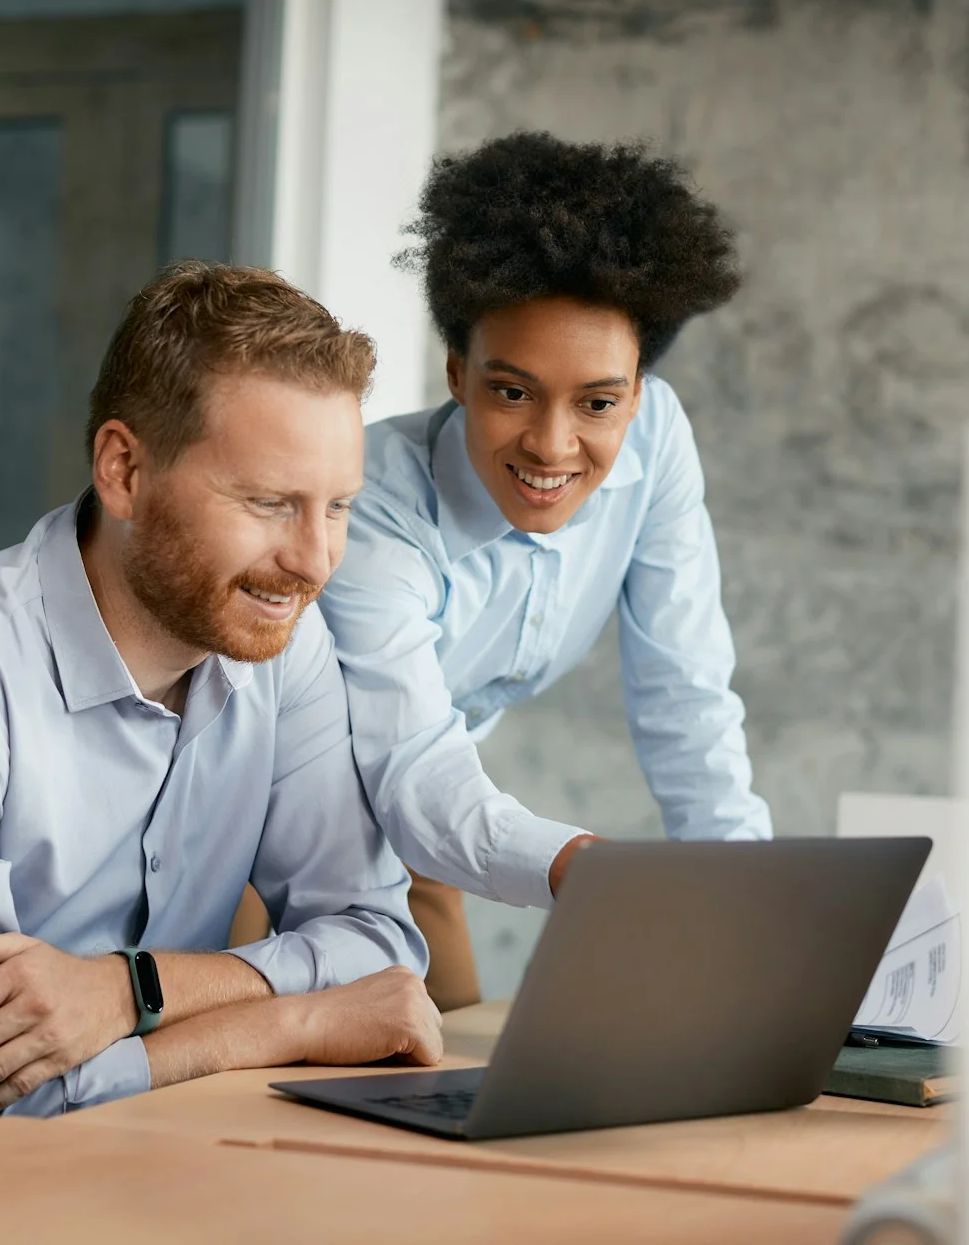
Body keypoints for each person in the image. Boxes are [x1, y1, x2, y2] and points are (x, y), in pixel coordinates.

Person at [0, 262, 439, 1154]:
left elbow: (379, 943)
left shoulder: (285, 641)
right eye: (269, 503)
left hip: (173, 1166)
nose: (314, 561)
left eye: (339, 508)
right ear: (124, 470)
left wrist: (129, 990)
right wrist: (288, 1023)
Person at [319, 132, 774, 1009]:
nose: (553, 445)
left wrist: (749, 898)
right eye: (512, 392)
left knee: (450, 1059)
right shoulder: (369, 503)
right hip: (273, 830)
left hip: (430, 824)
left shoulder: (655, 440)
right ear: (458, 373)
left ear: (637, 394)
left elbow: (686, 695)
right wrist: (579, 867)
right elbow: (408, 762)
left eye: (598, 402)